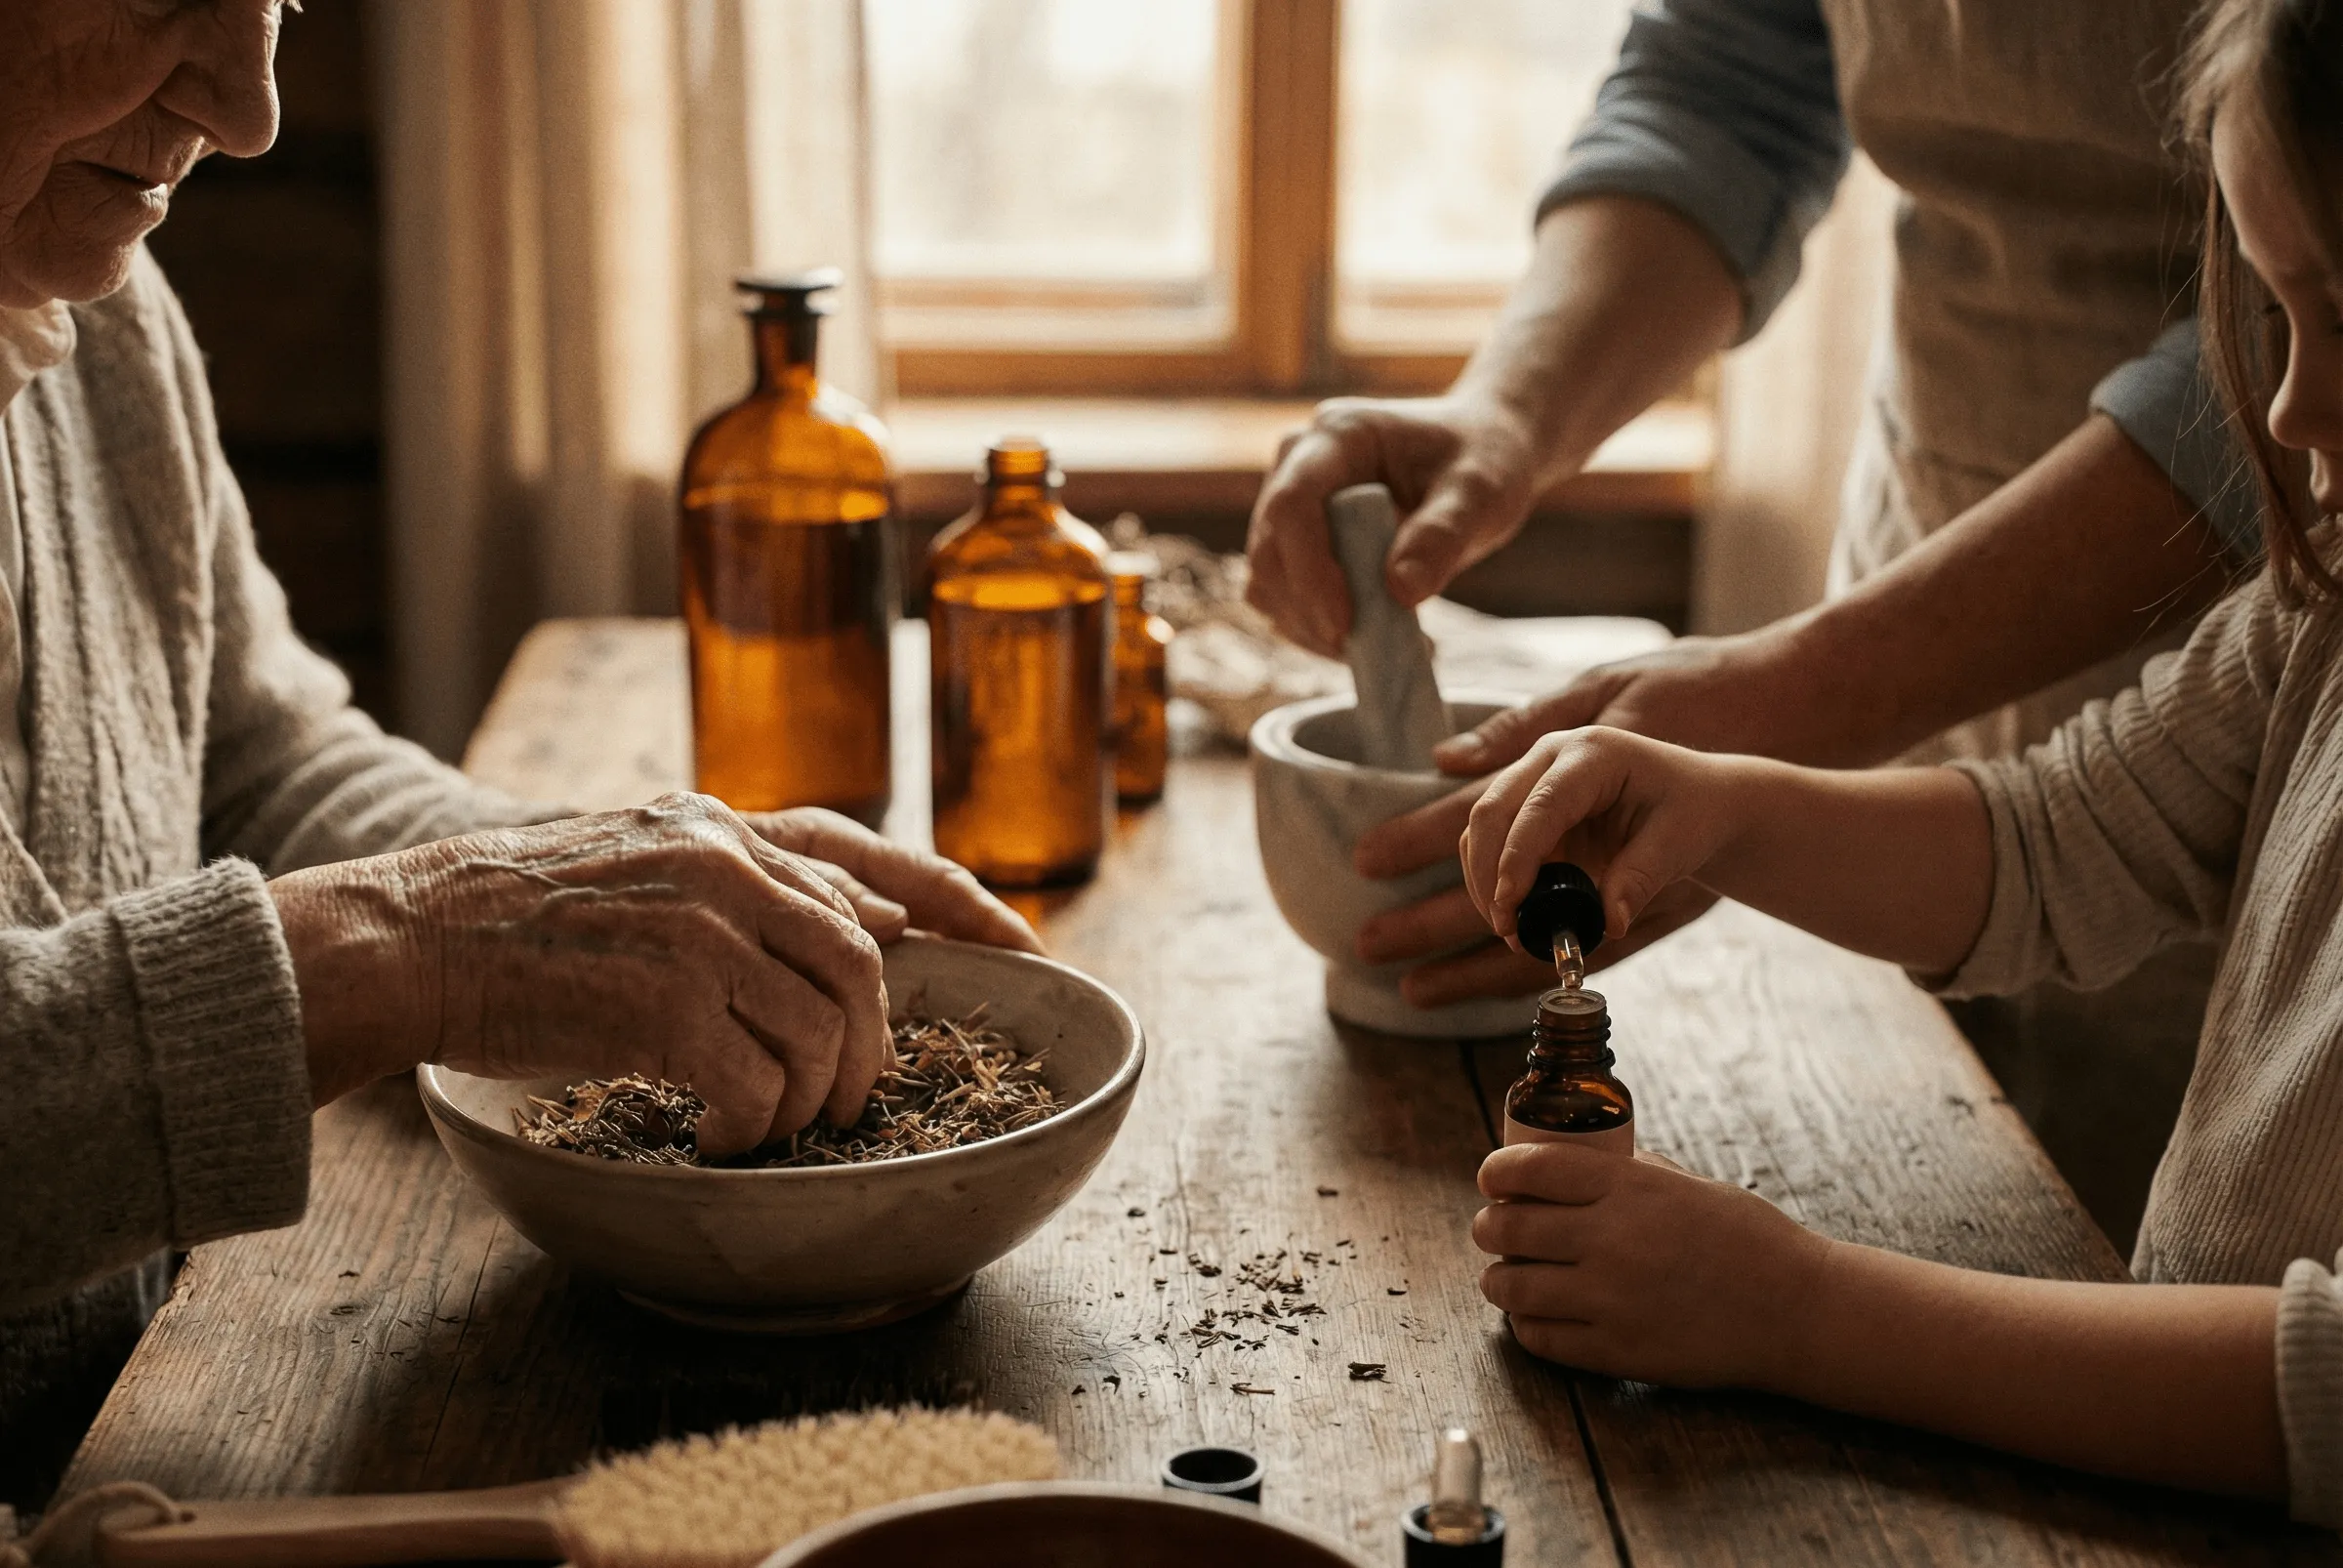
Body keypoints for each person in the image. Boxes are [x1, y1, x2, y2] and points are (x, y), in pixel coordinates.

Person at [0, 0, 1038, 1506]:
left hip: (134, 1455)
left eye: (277, 6)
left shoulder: (89, 308)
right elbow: (373, 924)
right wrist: (404, 946)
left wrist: (606, 888)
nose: (250, 109)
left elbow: (257, 756)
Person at [1457, 0, 2343, 1517]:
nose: (2284, 406)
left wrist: (1797, 1309)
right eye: (2277, 314)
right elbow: (2060, 841)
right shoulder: (2319, 595)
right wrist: (1720, 805)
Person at [1249, 0, 2240, 1248]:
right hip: (1930, 530)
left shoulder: (2288, 437)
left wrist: (1809, 701)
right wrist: (1506, 417)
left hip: (2225, 634)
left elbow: (2277, 346)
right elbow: (1732, 73)